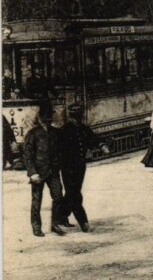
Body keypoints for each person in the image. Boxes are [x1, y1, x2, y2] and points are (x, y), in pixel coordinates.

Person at [59, 104, 109, 232]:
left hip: (80, 166)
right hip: (68, 167)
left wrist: (102, 145)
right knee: (75, 194)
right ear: (71, 116)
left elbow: (93, 139)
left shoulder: (84, 128)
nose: (78, 118)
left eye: (79, 116)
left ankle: (61, 216)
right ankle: (83, 222)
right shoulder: (65, 130)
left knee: (72, 193)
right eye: (76, 116)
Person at [24, 100, 66, 237]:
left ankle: (55, 224)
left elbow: (61, 151)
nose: (49, 119)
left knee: (58, 197)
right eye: (46, 116)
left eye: (50, 116)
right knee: (37, 201)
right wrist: (32, 173)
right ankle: (36, 227)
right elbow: (28, 156)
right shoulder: (32, 134)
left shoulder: (56, 133)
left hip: (53, 172)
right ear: (40, 117)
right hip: (38, 173)